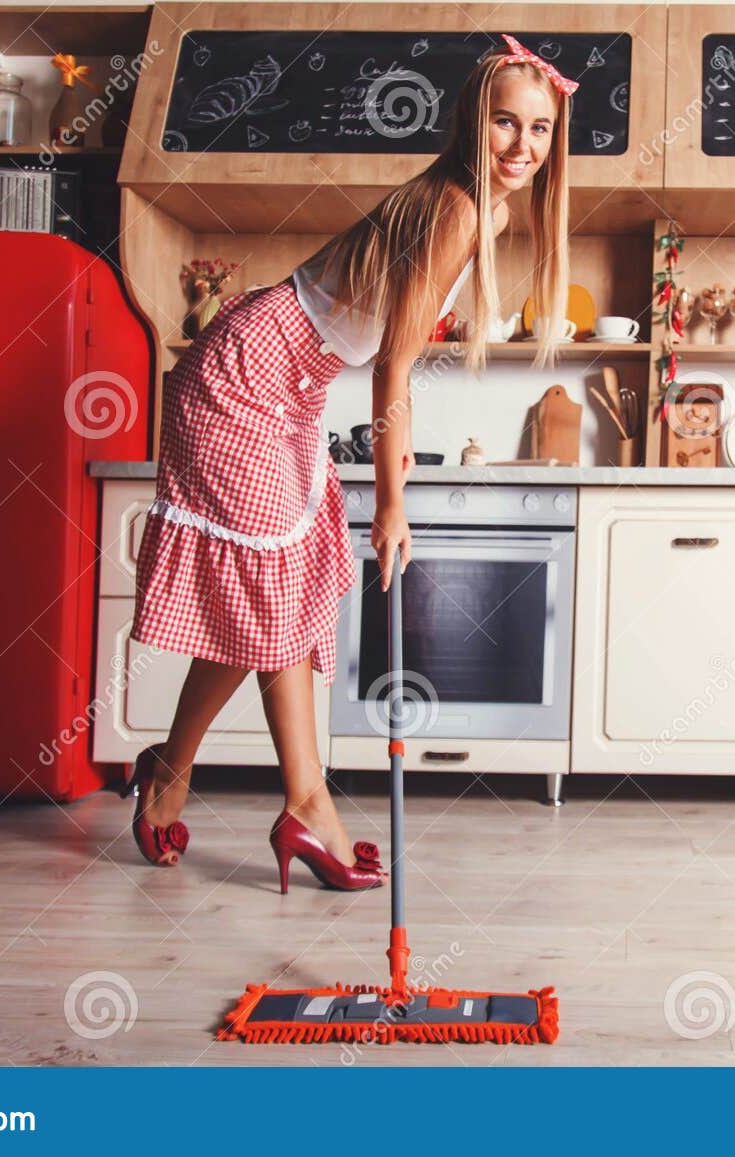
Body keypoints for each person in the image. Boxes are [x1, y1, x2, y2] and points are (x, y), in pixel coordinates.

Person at [120, 36, 577, 893]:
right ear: (470, 123)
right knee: (275, 595)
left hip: (288, 391)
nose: (523, 147)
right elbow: (394, 366)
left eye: (542, 131)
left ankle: (170, 770)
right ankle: (308, 805)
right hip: (242, 381)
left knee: (270, 597)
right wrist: (393, 502)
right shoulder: (456, 207)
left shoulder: (490, 210)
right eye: (505, 124)